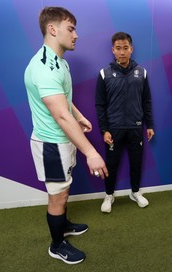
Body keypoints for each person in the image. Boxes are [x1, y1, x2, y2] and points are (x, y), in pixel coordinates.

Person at [24, 7, 108, 265]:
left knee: (64, 187)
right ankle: (57, 244)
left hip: (63, 140)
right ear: (53, 29)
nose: (76, 35)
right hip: (51, 143)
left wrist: (79, 116)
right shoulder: (44, 68)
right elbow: (60, 116)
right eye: (71, 29)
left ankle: (64, 224)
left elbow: (63, 103)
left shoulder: (59, 61)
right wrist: (91, 152)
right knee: (57, 194)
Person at [95, 32, 155, 213]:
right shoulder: (104, 74)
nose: (122, 52)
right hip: (114, 130)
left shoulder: (141, 72)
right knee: (111, 165)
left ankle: (135, 192)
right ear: (113, 50)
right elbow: (100, 104)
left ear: (131, 49)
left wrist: (150, 125)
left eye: (125, 48)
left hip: (135, 127)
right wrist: (104, 129)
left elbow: (147, 101)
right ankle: (109, 195)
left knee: (136, 163)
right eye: (118, 48)